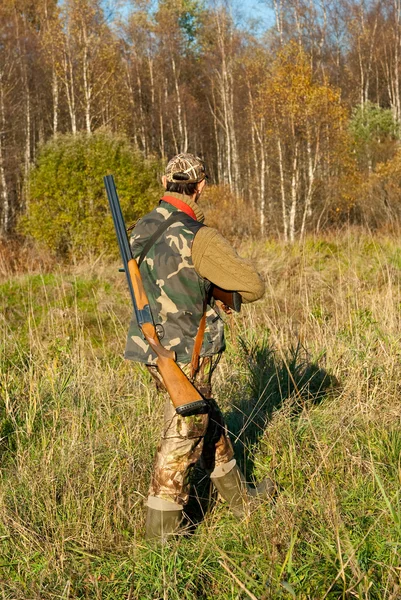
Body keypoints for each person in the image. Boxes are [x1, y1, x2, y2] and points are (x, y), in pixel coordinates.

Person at [124, 153, 272, 541]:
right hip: (188, 351)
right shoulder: (198, 235)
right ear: (201, 186)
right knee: (187, 427)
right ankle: (161, 538)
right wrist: (218, 290)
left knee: (207, 415)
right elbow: (253, 286)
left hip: (151, 348)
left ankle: (240, 500)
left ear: (164, 183)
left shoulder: (138, 229)